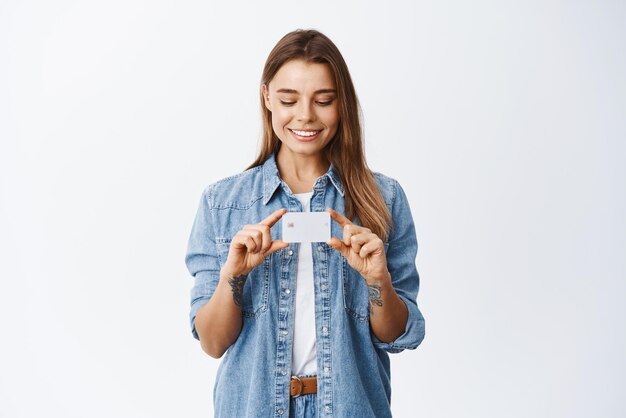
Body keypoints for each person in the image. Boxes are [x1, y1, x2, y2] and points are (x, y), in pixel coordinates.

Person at [185, 28, 425, 418]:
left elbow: (398, 335)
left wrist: (377, 281)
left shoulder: (384, 199)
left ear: (341, 103)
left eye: (323, 100)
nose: (306, 116)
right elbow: (212, 342)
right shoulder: (222, 204)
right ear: (267, 98)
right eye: (288, 99)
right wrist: (234, 275)